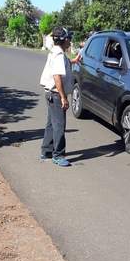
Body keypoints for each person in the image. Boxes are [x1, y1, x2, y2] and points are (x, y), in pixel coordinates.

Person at [40, 26, 74, 167]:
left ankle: (46, 150)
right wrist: (63, 97)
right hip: (55, 94)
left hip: (50, 94)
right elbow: (57, 76)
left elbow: (60, 67)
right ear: (64, 40)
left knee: (51, 124)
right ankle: (58, 155)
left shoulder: (55, 51)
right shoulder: (59, 54)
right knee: (59, 125)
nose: (70, 42)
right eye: (69, 39)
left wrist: (73, 61)